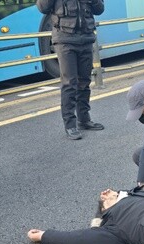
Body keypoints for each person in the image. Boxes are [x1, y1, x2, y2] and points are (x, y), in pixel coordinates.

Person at [36, 0, 105, 140]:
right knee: (69, 83)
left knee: (84, 82)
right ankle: (70, 125)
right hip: (65, 39)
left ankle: (84, 119)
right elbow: (42, 7)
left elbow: (99, 9)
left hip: (86, 37)